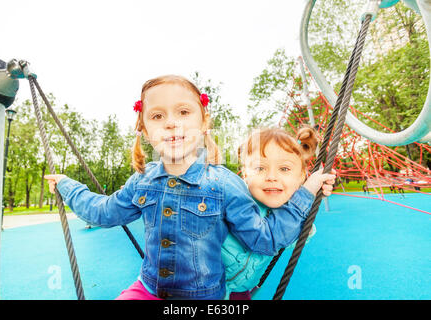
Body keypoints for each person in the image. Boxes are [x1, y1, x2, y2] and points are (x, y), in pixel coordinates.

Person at [44, 75, 335, 300]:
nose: (171, 123)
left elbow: (266, 239)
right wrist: (67, 186)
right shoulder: (142, 180)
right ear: (144, 129)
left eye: (183, 112)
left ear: (204, 121)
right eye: (158, 116)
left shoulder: (224, 184)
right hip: (148, 287)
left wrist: (306, 192)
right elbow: (102, 212)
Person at [222, 126, 321, 300]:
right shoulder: (236, 204)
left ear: (300, 177)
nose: (272, 177)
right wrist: (307, 192)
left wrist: (312, 191)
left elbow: (299, 235)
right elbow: (266, 238)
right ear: (245, 174)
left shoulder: (289, 213)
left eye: (284, 169)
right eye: (260, 168)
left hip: (239, 291)